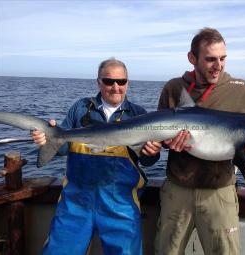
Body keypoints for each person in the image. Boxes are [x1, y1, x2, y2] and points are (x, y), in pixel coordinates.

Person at [154, 28, 245, 255]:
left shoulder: (242, 91)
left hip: (220, 191)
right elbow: (160, 136)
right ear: (192, 58)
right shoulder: (174, 87)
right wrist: (164, 143)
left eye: (222, 58)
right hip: (177, 189)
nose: (218, 65)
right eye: (210, 59)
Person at [32, 58, 161, 255]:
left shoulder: (138, 114)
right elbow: (63, 148)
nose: (115, 87)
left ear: (128, 82)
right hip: (75, 202)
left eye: (121, 81)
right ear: (98, 82)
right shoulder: (80, 108)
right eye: (109, 81)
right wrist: (47, 139)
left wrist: (153, 152)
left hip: (121, 205)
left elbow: (148, 161)